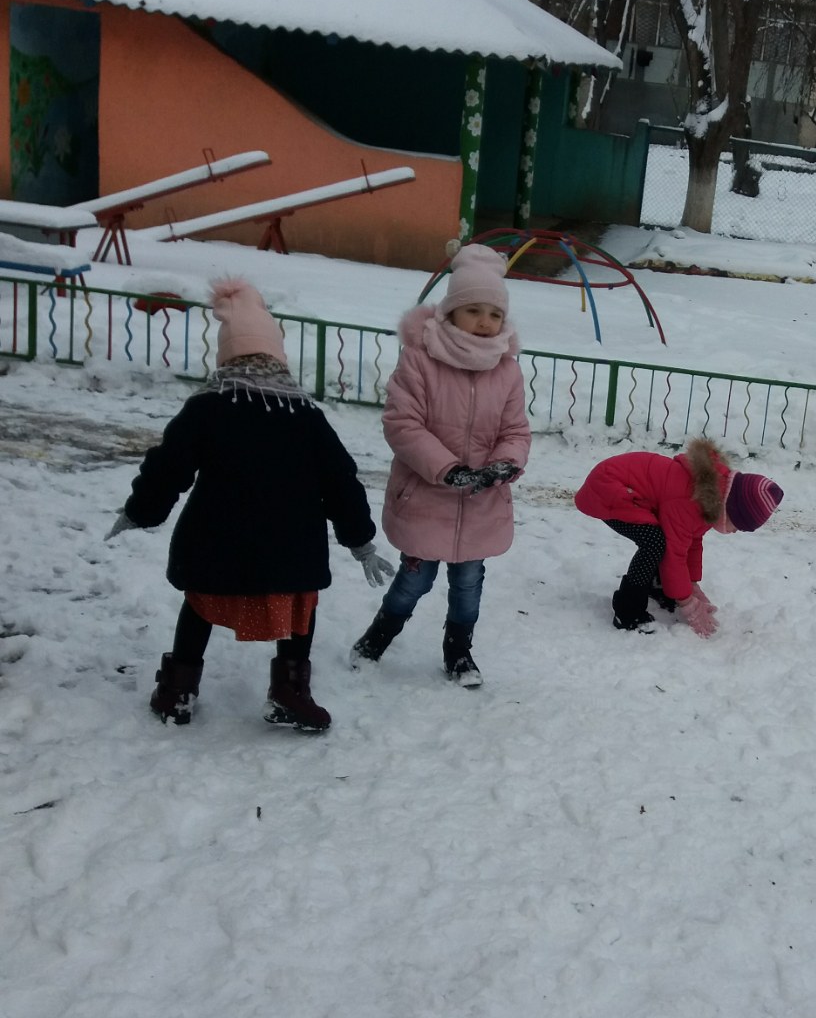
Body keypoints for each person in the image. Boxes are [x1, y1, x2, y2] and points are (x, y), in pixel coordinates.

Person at [107, 277, 394, 732]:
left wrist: (140, 511)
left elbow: (169, 467)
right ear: (279, 357)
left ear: (225, 357)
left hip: (216, 542)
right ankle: (290, 691)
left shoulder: (206, 408)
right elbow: (341, 480)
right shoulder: (305, 416)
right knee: (299, 612)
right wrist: (360, 541)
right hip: (291, 547)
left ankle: (177, 688)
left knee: (200, 606)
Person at [351, 244, 530, 685]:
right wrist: (448, 469)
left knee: (468, 587)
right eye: (473, 310)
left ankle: (459, 655)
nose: (485, 321)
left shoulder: (506, 370)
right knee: (414, 582)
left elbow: (516, 430)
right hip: (426, 499)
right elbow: (402, 423)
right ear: (449, 312)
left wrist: (505, 464)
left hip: (481, 505)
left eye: (494, 313)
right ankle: (376, 638)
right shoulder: (420, 360)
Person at [574, 438, 783, 635]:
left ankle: (660, 586)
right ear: (731, 510)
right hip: (609, 489)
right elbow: (674, 554)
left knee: (663, 540)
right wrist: (687, 603)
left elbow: (691, 541)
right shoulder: (688, 500)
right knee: (654, 542)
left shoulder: (709, 496)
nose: (735, 531)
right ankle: (628, 611)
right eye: (738, 526)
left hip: (624, 489)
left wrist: (690, 585)